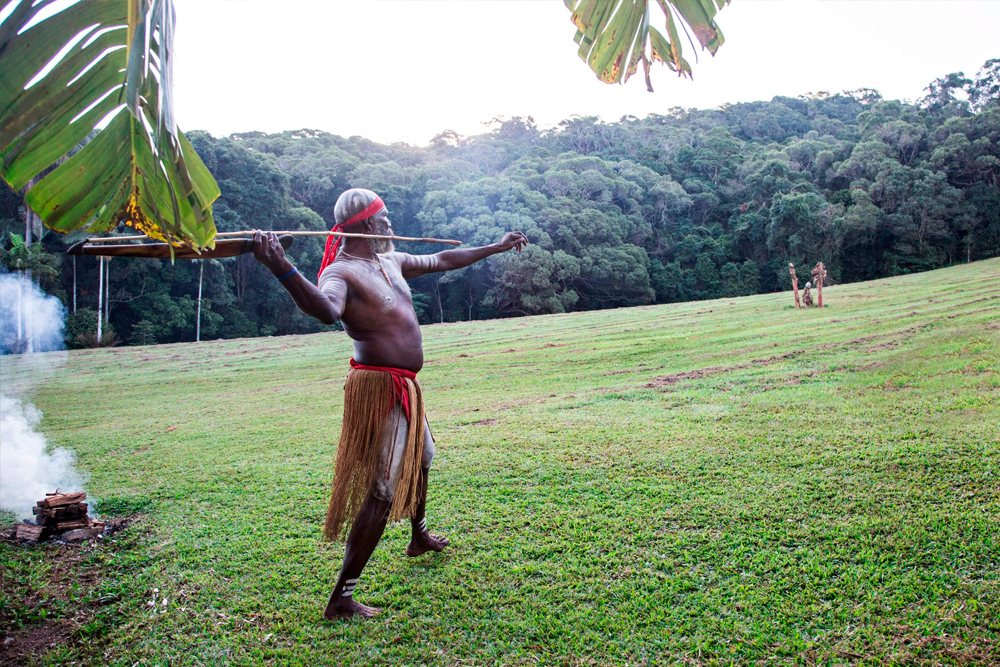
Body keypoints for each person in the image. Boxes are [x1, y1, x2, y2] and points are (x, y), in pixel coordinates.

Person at [251, 188, 527, 620]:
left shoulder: (389, 260)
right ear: (364, 225)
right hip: (379, 390)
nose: (392, 228)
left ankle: (418, 536)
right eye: (385, 221)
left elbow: (444, 260)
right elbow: (326, 310)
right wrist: (281, 267)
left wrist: (495, 246)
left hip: (407, 386)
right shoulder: (341, 272)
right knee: (381, 491)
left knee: (423, 459)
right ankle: (341, 597)